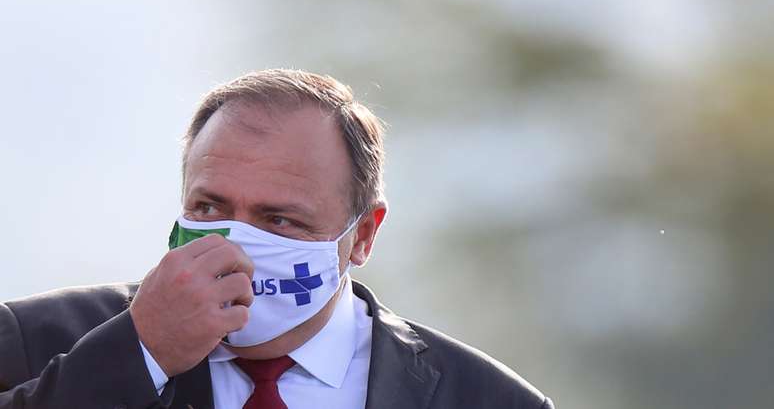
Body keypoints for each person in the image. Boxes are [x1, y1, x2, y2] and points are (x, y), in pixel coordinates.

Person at [0, 69, 555, 409]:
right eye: (209, 207)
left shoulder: (483, 400)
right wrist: (138, 354)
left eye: (280, 220)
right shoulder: (33, 341)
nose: (237, 245)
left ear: (363, 235)